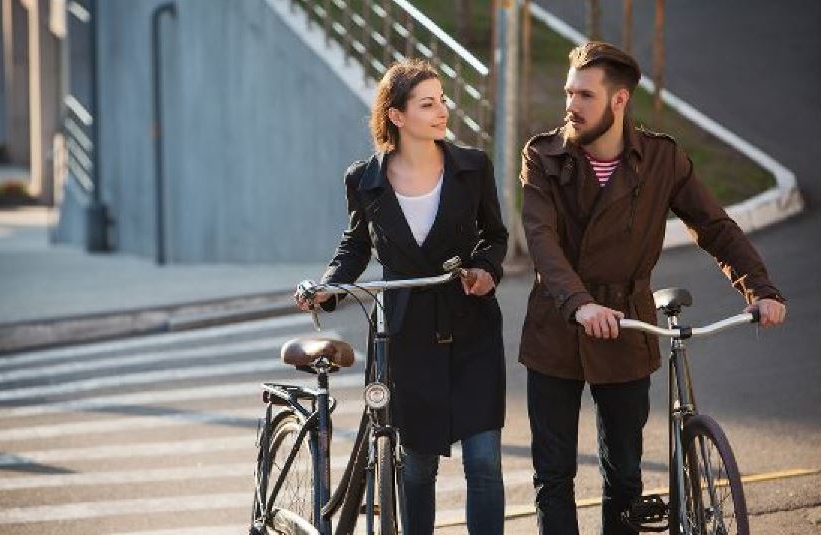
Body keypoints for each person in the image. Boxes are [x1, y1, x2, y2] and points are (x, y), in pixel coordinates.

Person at [519, 41, 786, 534]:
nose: (571, 106)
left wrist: (760, 288)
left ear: (619, 101)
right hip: (557, 325)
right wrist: (578, 304)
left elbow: (715, 226)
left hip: (626, 323)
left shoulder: (663, 159)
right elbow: (541, 240)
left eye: (585, 96)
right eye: (568, 93)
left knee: (624, 477)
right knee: (553, 476)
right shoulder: (544, 157)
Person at [295, 59, 508, 535]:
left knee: (484, 463)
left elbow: (494, 237)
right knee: (416, 468)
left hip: (471, 325)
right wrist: (328, 288)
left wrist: (485, 270)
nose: (442, 112)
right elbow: (355, 245)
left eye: (442, 100)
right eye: (427, 103)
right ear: (396, 115)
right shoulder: (364, 179)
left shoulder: (472, 167)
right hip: (405, 334)